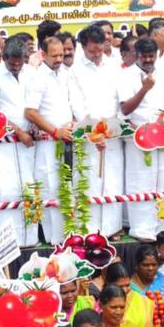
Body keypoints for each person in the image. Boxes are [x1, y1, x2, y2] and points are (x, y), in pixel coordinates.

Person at [118, 38, 164, 240]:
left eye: (152, 56)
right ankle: (142, 230)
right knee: (141, 182)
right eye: (144, 56)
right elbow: (125, 109)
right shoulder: (126, 76)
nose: (148, 60)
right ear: (137, 56)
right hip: (138, 137)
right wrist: (144, 89)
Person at [68, 25, 123, 239]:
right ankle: (89, 230)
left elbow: (120, 98)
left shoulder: (114, 66)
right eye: (92, 51)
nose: (96, 54)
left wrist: (112, 125)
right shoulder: (75, 71)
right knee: (89, 179)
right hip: (88, 132)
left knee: (113, 179)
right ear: (83, 47)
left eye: (99, 50)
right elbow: (76, 103)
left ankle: (112, 227)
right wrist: (93, 131)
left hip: (113, 131)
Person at [0, 36, 38, 246]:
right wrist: (17, 131)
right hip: (7, 141)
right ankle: (10, 241)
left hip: (32, 139)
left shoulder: (32, 73)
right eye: (11, 64)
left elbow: (36, 103)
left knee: (31, 186)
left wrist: (33, 127)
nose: (16, 67)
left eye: (20, 63)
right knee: (8, 189)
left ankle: (31, 238)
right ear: (4, 58)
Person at [24, 36, 74, 244]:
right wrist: (55, 131)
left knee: (67, 188)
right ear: (42, 55)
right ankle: (55, 241)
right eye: (54, 55)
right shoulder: (38, 78)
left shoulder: (65, 74)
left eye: (62, 54)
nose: (59, 59)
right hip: (48, 143)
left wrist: (72, 124)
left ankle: (68, 236)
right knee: (51, 188)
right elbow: (30, 112)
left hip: (67, 140)